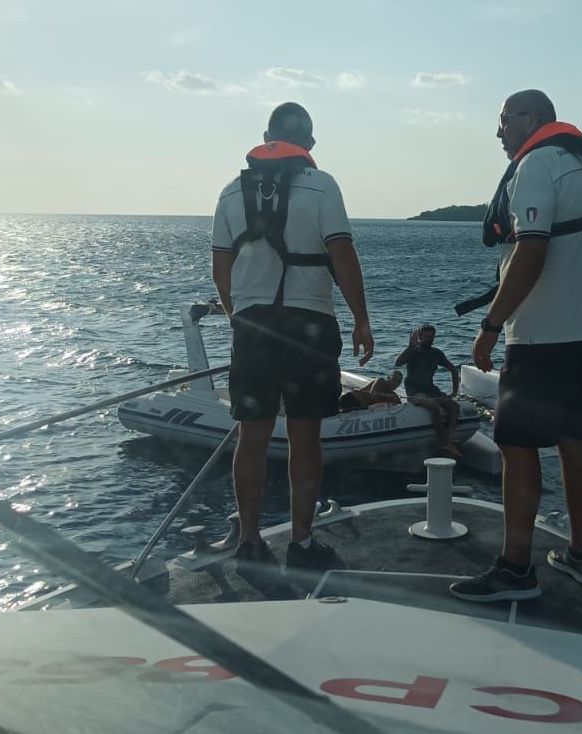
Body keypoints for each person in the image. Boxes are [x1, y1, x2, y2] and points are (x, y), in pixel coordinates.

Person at [449, 90, 582, 603]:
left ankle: (516, 570)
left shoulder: (537, 165)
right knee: (573, 438)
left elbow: (531, 249)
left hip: (542, 335)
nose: (499, 131)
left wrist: (490, 324)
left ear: (533, 119)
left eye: (505, 120)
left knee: (516, 445)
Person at [210, 102, 374, 577]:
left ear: (265, 137)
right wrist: (361, 318)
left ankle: (249, 541)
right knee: (306, 437)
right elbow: (340, 252)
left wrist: (238, 314)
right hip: (308, 326)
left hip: (253, 328)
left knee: (252, 435)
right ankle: (301, 541)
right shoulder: (323, 186)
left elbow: (221, 270)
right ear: (310, 144)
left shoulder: (228, 193)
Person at [395, 325, 463, 457]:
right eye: (426, 337)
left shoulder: (436, 353)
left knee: (454, 406)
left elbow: (453, 370)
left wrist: (454, 392)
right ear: (420, 337)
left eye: (431, 337)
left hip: (431, 389)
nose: (429, 339)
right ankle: (444, 442)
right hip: (415, 391)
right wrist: (410, 347)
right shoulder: (413, 351)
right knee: (434, 407)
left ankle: (450, 439)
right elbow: (398, 363)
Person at [339, 370, 403, 411]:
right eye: (394, 379)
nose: (395, 383)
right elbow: (373, 393)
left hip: (362, 407)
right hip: (353, 399)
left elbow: (401, 407)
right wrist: (387, 396)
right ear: (388, 378)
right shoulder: (381, 381)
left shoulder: (394, 395)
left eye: (398, 381)